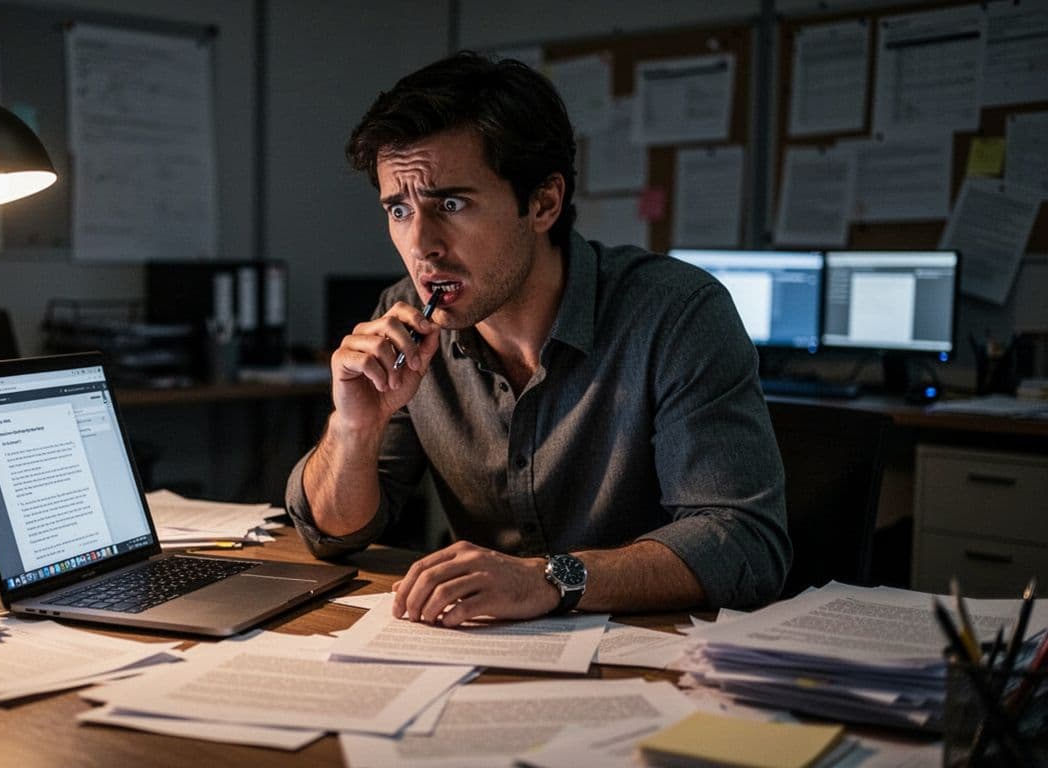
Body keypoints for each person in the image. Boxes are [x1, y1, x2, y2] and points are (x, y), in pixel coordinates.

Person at [285, 52, 789, 627]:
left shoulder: (677, 313)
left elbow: (745, 545)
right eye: (399, 208)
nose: (421, 244)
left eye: (451, 203)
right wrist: (355, 427)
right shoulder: (402, 317)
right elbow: (331, 536)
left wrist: (550, 579)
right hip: (480, 653)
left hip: (658, 658)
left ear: (544, 203)